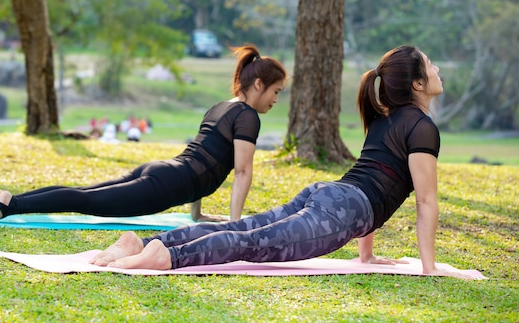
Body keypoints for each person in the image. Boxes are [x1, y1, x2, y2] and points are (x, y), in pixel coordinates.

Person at [90, 45, 472, 279]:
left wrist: (367, 254)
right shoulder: (421, 128)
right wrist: (429, 267)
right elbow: (424, 200)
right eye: (432, 64)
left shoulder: (388, 117)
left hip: (330, 194)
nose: (437, 69)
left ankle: (144, 242)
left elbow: (376, 179)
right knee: (252, 241)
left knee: (250, 229)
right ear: (418, 84)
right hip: (343, 209)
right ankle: (166, 255)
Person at [0, 44, 288, 223]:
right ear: (258, 85)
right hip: (167, 183)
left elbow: (205, 159)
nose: (276, 99)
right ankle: (10, 206)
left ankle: (5, 200)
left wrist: (199, 214)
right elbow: (242, 171)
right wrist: (234, 226)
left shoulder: (222, 106)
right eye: (275, 91)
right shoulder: (247, 116)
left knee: (83, 193)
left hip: (163, 171)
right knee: (86, 201)